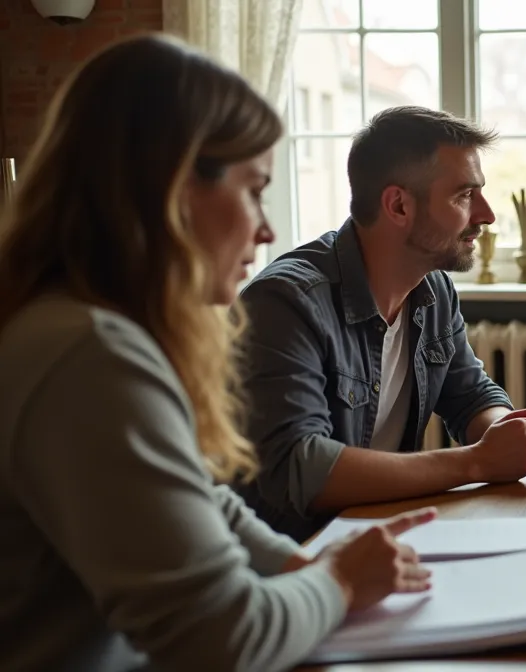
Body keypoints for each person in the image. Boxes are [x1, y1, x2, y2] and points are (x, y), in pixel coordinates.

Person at [0, 34, 439, 671]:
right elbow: (224, 639)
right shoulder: (90, 356)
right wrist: (339, 580)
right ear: (173, 189)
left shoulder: (82, 328)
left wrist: (305, 566)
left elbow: (207, 502)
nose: (266, 228)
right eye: (254, 189)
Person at [234, 106, 526, 542]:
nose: (486, 215)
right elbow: (302, 467)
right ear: (398, 205)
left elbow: (470, 395)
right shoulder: (285, 302)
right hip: (293, 561)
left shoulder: (434, 289)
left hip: (378, 539)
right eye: (464, 196)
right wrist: (478, 462)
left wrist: (514, 433)